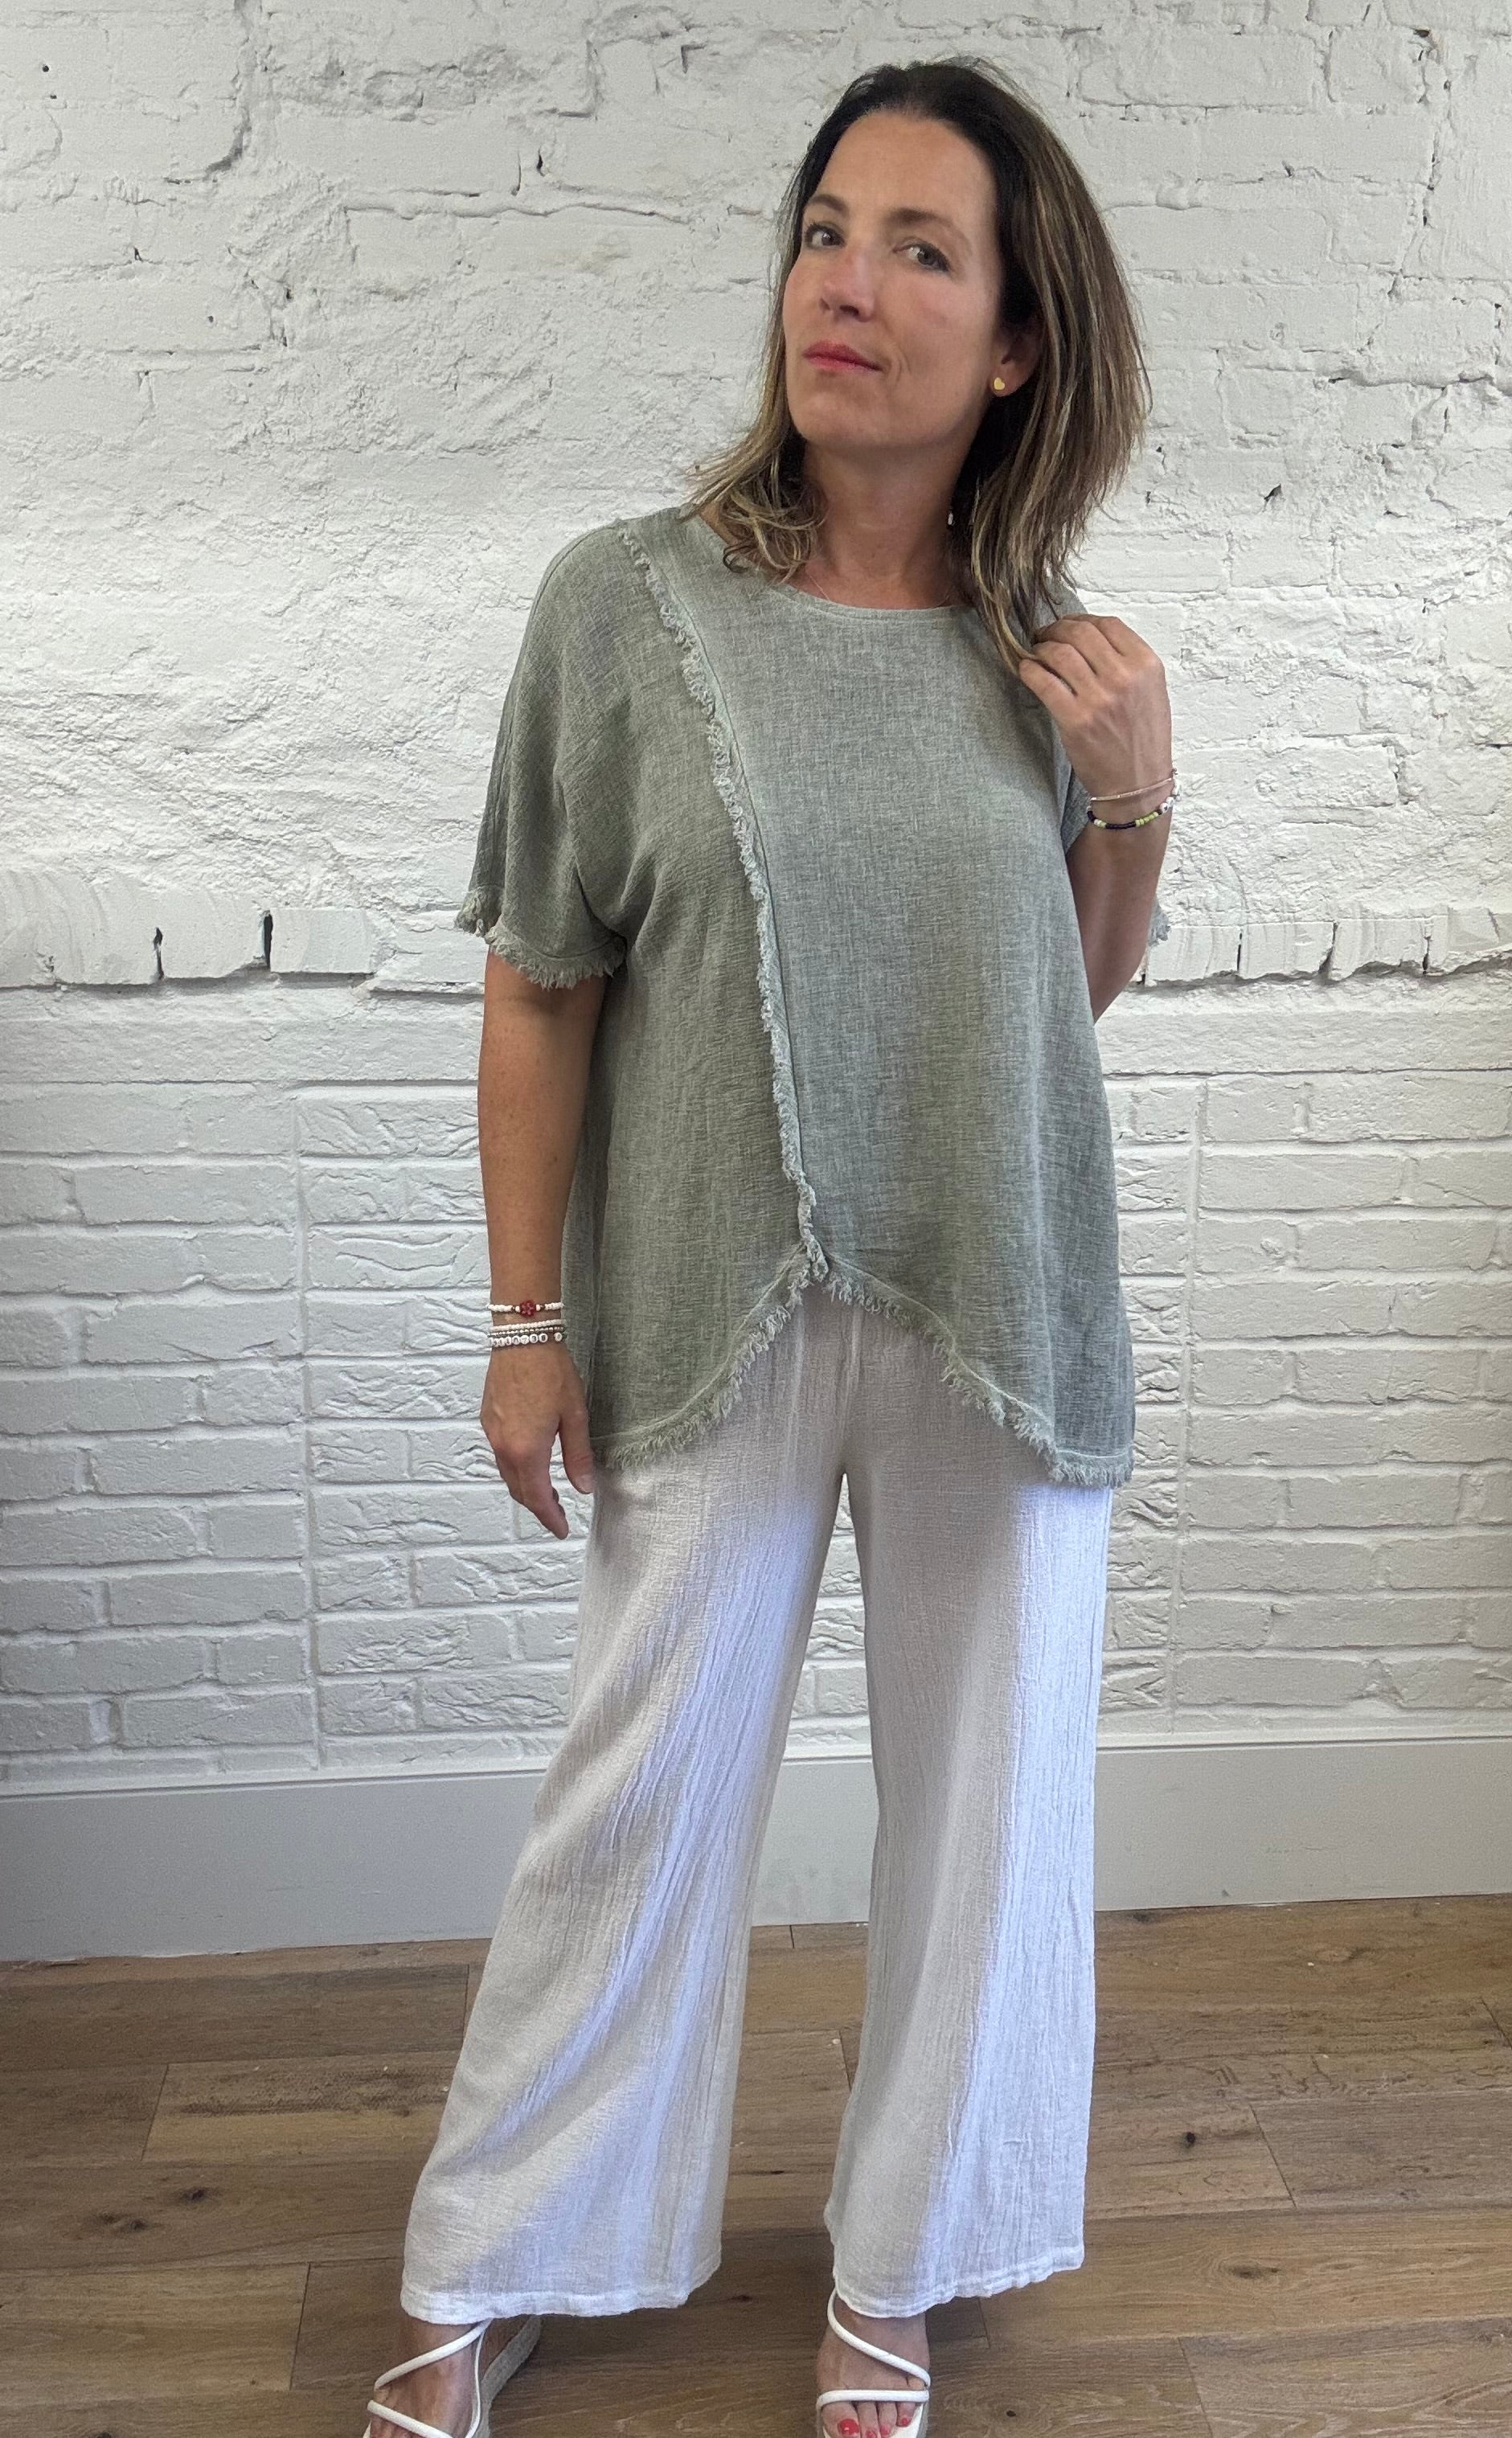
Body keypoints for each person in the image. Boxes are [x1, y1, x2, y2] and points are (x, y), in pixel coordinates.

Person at [361, 54, 1174, 2438]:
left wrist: (1134, 798)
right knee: (638, 1787)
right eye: (829, 229)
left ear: (1013, 341)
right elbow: (539, 981)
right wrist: (523, 1318)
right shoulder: (625, 607)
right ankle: (508, 2242)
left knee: (989, 1806)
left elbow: (1049, 1007)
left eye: (923, 249)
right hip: (706, 1296)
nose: (852, 284)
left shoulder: (1050, 652)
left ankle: (903, 2269)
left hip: (997, 1295)